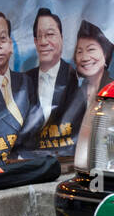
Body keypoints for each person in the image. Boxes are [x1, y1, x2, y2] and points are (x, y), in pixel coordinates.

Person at [0, 10, 41, 161]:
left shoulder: (26, 81)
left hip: (30, 161)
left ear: (11, 44)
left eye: (3, 38)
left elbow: (35, 123)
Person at [21, 8, 84, 158]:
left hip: (65, 158)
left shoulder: (76, 78)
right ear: (35, 42)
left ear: (61, 38)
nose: (44, 42)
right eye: (39, 36)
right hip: (28, 159)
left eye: (49, 35)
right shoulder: (23, 80)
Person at [73, 20, 114, 111]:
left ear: (105, 54)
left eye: (91, 49)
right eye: (79, 51)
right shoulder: (73, 92)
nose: (84, 58)